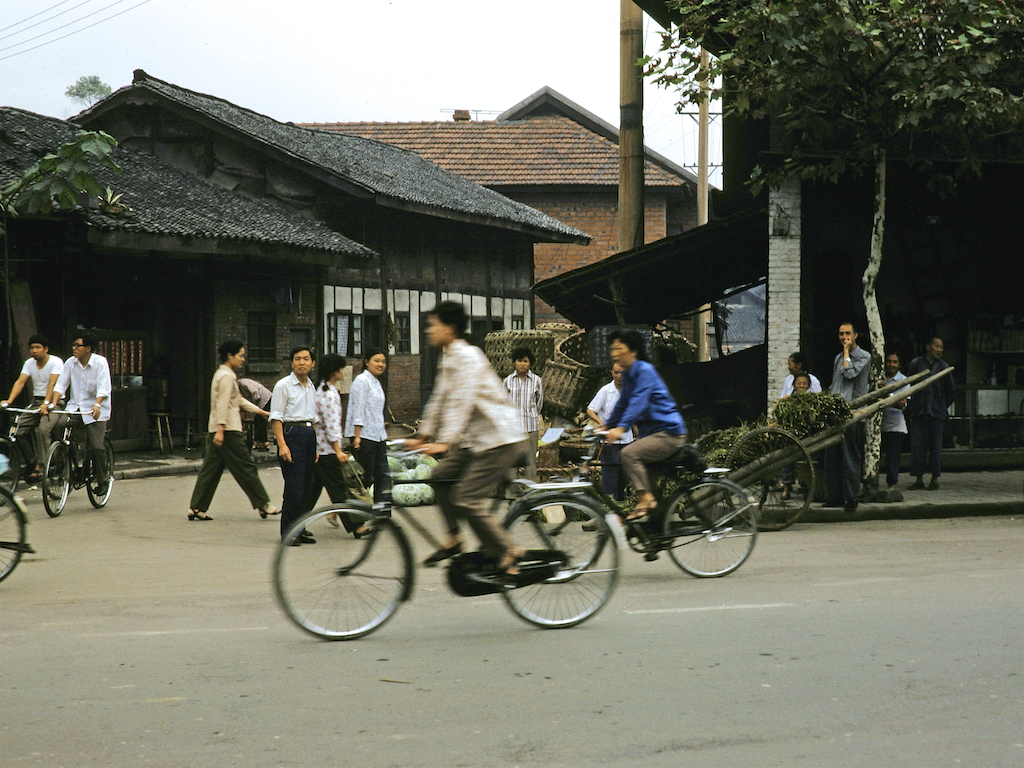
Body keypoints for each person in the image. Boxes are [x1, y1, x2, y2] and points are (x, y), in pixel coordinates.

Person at [409, 301, 526, 574]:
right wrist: (423, 433)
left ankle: (508, 550)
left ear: (449, 328)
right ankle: (454, 538)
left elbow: (462, 401)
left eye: (432, 325)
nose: (428, 330)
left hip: (499, 439)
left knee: (466, 498)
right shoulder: (448, 356)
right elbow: (440, 399)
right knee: (438, 477)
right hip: (474, 440)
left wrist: (445, 441)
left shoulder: (469, 356)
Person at [186, 341, 279, 521]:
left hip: (219, 428)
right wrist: (221, 429)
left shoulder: (222, 374)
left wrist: (260, 412)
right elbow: (222, 403)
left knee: (211, 469)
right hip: (228, 429)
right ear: (230, 355)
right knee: (246, 466)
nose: (243, 359)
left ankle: (196, 507)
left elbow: (237, 400)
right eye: (241, 355)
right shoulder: (227, 376)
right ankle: (263, 503)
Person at [603, 329, 688, 523]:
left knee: (628, 454)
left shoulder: (644, 371)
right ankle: (656, 526)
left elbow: (638, 402)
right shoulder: (630, 374)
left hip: (669, 433)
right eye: (612, 349)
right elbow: (623, 403)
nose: (614, 353)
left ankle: (644, 499)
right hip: (653, 433)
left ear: (632, 351)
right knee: (648, 479)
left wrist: (621, 428)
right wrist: (607, 425)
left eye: (619, 348)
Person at [301, 354, 369, 536]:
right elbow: (331, 425)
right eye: (342, 368)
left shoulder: (319, 390)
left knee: (312, 490)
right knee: (339, 489)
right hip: (328, 450)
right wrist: (338, 449)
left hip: (319, 449)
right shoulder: (329, 394)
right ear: (335, 371)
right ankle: (357, 526)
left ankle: (296, 522)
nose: (344, 372)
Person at [49, 334, 112, 493]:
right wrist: (51, 404)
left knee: (97, 447)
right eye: (73, 345)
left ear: (88, 348)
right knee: (60, 425)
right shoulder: (70, 363)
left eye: (78, 345)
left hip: (95, 410)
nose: (74, 348)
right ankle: (74, 465)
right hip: (75, 408)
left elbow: (104, 388)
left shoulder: (100, 362)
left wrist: (97, 405)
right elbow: (60, 386)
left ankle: (102, 479)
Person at [269, 346, 318, 543]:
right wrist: (282, 445)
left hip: (308, 435)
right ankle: (289, 532)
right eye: (297, 359)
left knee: (307, 487)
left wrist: (315, 447)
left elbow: (313, 419)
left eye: (306, 359)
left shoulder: (311, 386)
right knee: (294, 488)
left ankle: (300, 528)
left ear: (312, 363)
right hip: (292, 434)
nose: (302, 362)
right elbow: (276, 418)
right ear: (291, 363)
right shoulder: (283, 386)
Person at [1, 334, 64, 481]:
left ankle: (43, 465)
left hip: (55, 402)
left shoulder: (56, 362)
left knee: (43, 429)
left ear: (46, 349)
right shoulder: (29, 363)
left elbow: (52, 384)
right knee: (16, 429)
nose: (34, 350)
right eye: (32, 347)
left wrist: (47, 403)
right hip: (36, 402)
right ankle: (32, 459)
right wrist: (9, 401)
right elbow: (21, 381)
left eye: (38, 347)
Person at [823, 321, 871, 511]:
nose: (845, 338)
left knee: (850, 455)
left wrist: (846, 353)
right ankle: (835, 496)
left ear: (855, 335)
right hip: (836, 414)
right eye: (842, 334)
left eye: (848, 334)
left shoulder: (863, 357)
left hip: (853, 414)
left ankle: (852, 497)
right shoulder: (837, 358)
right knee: (832, 456)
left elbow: (850, 374)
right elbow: (836, 385)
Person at [905, 337, 955, 491]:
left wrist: (941, 406)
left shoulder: (944, 367)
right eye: (936, 346)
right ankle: (918, 479)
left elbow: (951, 392)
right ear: (928, 347)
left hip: (936, 414)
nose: (939, 350)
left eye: (941, 347)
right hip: (919, 413)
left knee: (935, 448)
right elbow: (909, 385)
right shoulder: (916, 364)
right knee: (918, 447)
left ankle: (934, 479)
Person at [345, 347, 391, 506]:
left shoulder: (376, 382)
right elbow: (358, 409)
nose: (381, 364)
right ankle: (348, 510)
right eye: (376, 361)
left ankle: (382, 512)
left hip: (378, 435)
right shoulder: (361, 381)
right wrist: (356, 436)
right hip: (364, 436)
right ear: (366, 362)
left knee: (383, 476)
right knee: (365, 477)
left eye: (383, 361)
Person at [585, 362, 633, 500]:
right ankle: (608, 502)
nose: (619, 376)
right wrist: (601, 423)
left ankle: (621, 503)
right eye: (616, 372)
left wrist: (637, 432)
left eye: (622, 372)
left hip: (626, 439)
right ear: (611, 373)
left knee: (624, 473)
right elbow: (590, 410)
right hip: (609, 440)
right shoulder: (606, 391)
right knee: (610, 472)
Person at [503, 346, 543, 481]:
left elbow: (539, 403)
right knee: (512, 461)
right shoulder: (508, 381)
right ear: (514, 362)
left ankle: (530, 494)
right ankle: (511, 494)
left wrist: (532, 414)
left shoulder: (537, 381)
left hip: (530, 426)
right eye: (519, 361)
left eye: (525, 361)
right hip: (512, 427)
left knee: (530, 461)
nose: (522, 364)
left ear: (530, 363)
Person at [880, 352, 908, 490]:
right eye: (889, 361)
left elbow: (901, 403)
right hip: (878, 425)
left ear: (899, 364)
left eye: (895, 362)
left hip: (895, 426)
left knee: (893, 458)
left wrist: (887, 392)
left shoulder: (903, 380)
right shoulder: (879, 377)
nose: (891, 364)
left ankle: (891, 486)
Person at [237, 377, 272, 450]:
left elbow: (255, 393)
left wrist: (253, 405)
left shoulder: (243, 383)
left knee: (260, 420)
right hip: (259, 401)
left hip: (265, 398)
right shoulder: (239, 386)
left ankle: (264, 442)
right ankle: (257, 441)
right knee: (257, 420)